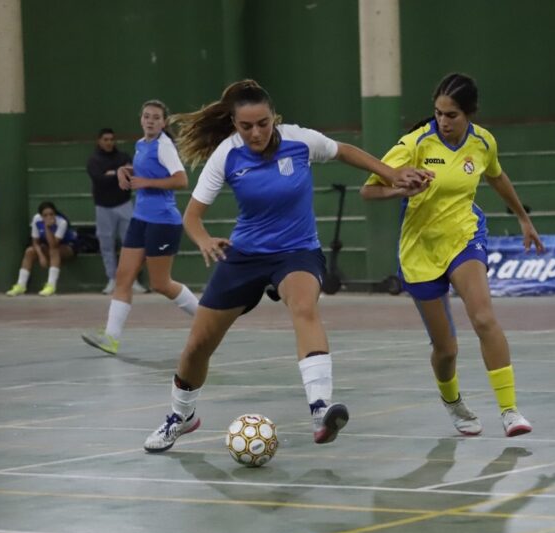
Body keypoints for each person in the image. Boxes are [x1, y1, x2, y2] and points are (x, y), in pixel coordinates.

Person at [141, 79, 428, 453]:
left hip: (297, 251)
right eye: (246, 126)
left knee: (304, 307)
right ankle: (181, 416)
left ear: (273, 118)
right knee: (198, 345)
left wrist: (391, 173)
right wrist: (205, 240)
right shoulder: (227, 155)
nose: (256, 132)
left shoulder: (299, 140)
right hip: (244, 255)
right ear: (234, 124)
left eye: (263, 123)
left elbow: (345, 151)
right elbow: (192, 216)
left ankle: (320, 409)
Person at [360, 73, 543, 437]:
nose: (443, 121)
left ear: (469, 113)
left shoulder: (483, 143)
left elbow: (497, 177)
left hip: (464, 237)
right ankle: (453, 402)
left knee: (484, 318)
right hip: (420, 250)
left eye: (452, 115)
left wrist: (523, 218)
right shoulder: (415, 143)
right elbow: (369, 191)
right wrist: (400, 189)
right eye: (439, 113)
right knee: (446, 349)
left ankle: (509, 411)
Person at [81, 100, 201, 354]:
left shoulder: (164, 146)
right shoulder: (140, 144)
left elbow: (181, 180)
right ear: (141, 119)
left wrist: (145, 181)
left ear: (164, 122)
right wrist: (126, 170)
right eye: (146, 116)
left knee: (161, 283)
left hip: (163, 222)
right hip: (140, 219)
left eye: (156, 117)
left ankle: (206, 318)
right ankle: (111, 339)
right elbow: (147, 171)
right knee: (123, 278)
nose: (150, 121)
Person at [86, 127, 145, 294]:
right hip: (103, 207)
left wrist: (112, 173)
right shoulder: (93, 160)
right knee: (106, 244)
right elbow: (99, 179)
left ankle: (132, 280)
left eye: (111, 139)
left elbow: (130, 175)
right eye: (105, 139)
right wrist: (117, 173)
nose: (109, 142)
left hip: (124, 204)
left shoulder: (124, 156)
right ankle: (112, 279)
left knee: (131, 244)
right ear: (99, 141)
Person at [6, 201, 78, 297]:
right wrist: (41, 256)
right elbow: (35, 242)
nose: (48, 217)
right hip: (48, 246)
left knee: (54, 250)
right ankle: (21, 285)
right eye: (45, 215)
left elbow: (53, 245)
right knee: (29, 251)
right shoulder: (36, 219)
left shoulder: (62, 222)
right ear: (41, 216)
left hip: (68, 247)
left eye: (51, 214)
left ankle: (51, 286)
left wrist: (47, 227)